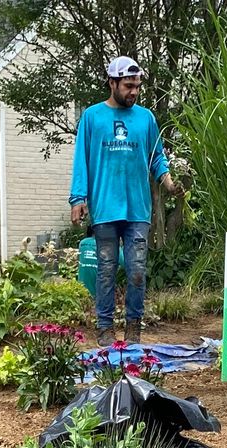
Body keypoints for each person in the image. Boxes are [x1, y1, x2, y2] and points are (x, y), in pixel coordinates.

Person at [69, 55, 179, 348]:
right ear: (112, 82)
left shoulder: (146, 119)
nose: (134, 92)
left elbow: (157, 155)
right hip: (105, 207)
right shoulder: (92, 117)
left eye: (138, 86)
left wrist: (169, 182)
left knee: (137, 270)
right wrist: (78, 198)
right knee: (106, 270)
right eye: (129, 86)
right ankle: (104, 328)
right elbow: (81, 159)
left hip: (137, 209)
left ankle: (133, 328)